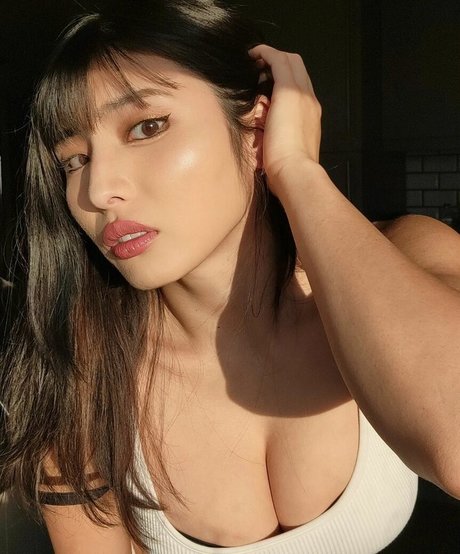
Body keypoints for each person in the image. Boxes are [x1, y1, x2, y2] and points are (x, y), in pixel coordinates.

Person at [1, 1, 460, 552]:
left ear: (256, 127)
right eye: (74, 160)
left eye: (147, 127)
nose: (98, 191)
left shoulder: (409, 252)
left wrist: (296, 171)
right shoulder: (81, 373)